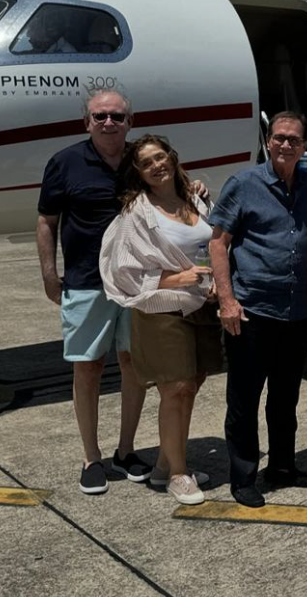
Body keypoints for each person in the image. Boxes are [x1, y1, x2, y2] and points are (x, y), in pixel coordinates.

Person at [36, 88, 151, 494]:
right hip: (86, 282)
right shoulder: (65, 162)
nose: (108, 123)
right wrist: (51, 275)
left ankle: (126, 450)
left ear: (129, 122)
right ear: (86, 122)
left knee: (134, 363)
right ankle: (91, 457)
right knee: (88, 367)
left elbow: (174, 192)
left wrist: (199, 188)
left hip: (138, 283)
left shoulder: (143, 160)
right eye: (100, 116)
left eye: (117, 116)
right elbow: (47, 221)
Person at [209, 111, 307, 508]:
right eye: (279, 137)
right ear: (269, 141)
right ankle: (243, 477)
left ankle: (282, 467)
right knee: (244, 398)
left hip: (294, 312)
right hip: (252, 311)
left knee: (284, 398)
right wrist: (226, 300)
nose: (285, 144)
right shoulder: (243, 184)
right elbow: (218, 243)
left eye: (294, 139)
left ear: (303, 144)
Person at [99, 135, 222, 505]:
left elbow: (213, 242)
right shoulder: (137, 213)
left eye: (160, 156)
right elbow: (120, 270)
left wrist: (215, 280)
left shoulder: (194, 198)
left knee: (193, 382)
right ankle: (179, 475)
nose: (156, 165)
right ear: (138, 173)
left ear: (172, 157)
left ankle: (165, 466)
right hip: (162, 309)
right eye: (146, 162)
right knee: (175, 387)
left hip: (200, 305)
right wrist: (171, 279)